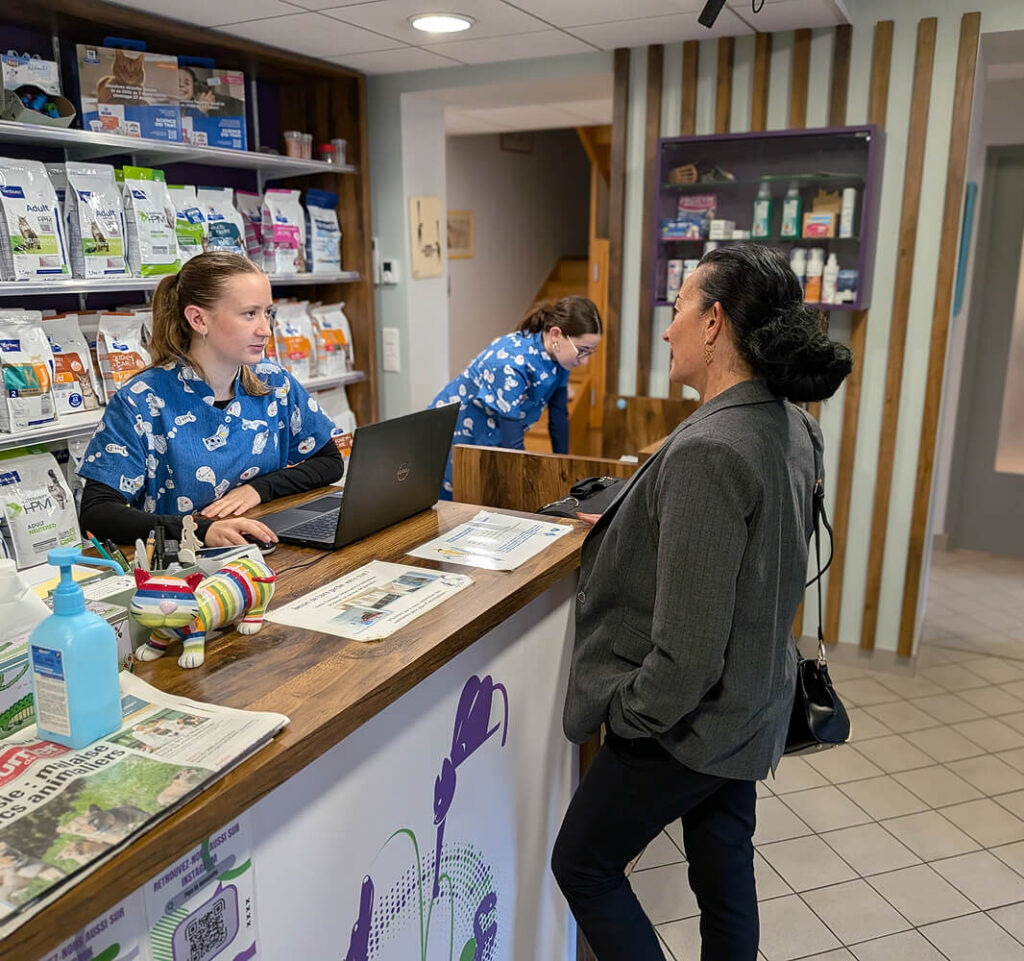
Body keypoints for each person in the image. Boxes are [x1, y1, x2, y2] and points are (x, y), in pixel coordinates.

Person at [551, 243, 852, 960]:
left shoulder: (712, 450)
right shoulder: (790, 424)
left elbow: (686, 653)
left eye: (679, 309)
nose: (668, 328)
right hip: (752, 704)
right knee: (724, 878)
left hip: (691, 721)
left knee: (584, 864)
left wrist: (628, 716)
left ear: (714, 322)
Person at [78, 252, 343, 548]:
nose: (265, 330)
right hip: (181, 569)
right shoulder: (141, 401)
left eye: (267, 312)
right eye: (249, 314)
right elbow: (95, 513)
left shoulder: (274, 382)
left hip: (265, 547)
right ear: (198, 319)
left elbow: (330, 462)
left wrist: (258, 489)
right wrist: (198, 531)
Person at [430, 295, 602, 499]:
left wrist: (563, 472)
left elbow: (559, 418)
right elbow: (514, 446)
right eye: (582, 351)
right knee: (454, 504)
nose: (584, 362)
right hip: (455, 432)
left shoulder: (560, 359)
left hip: (493, 433)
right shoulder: (511, 363)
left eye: (591, 352)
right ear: (556, 334)